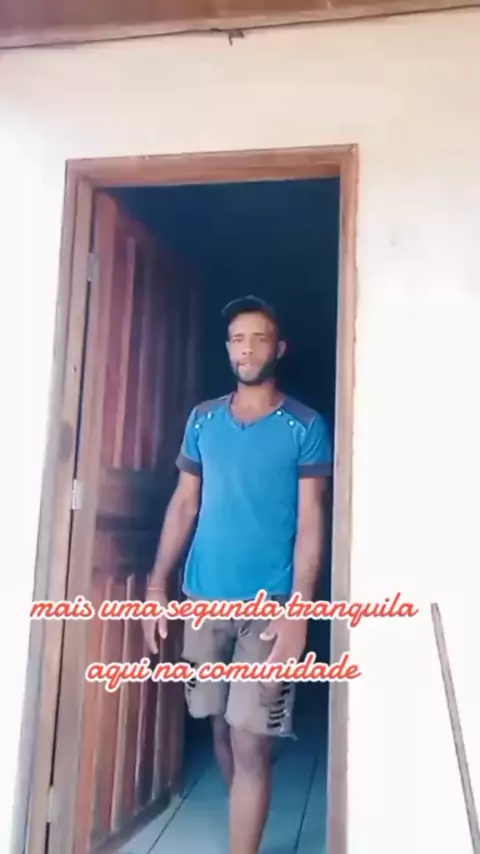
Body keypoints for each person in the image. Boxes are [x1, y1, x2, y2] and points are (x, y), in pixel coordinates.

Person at [143, 295, 332, 854]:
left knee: (250, 741)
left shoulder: (304, 425)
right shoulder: (202, 419)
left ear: (279, 348)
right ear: (228, 349)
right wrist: (156, 585)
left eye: (258, 339)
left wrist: (299, 613)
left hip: (269, 610)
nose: (247, 349)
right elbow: (184, 503)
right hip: (203, 601)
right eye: (237, 340)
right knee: (218, 725)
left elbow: (312, 523)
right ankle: (240, 821)